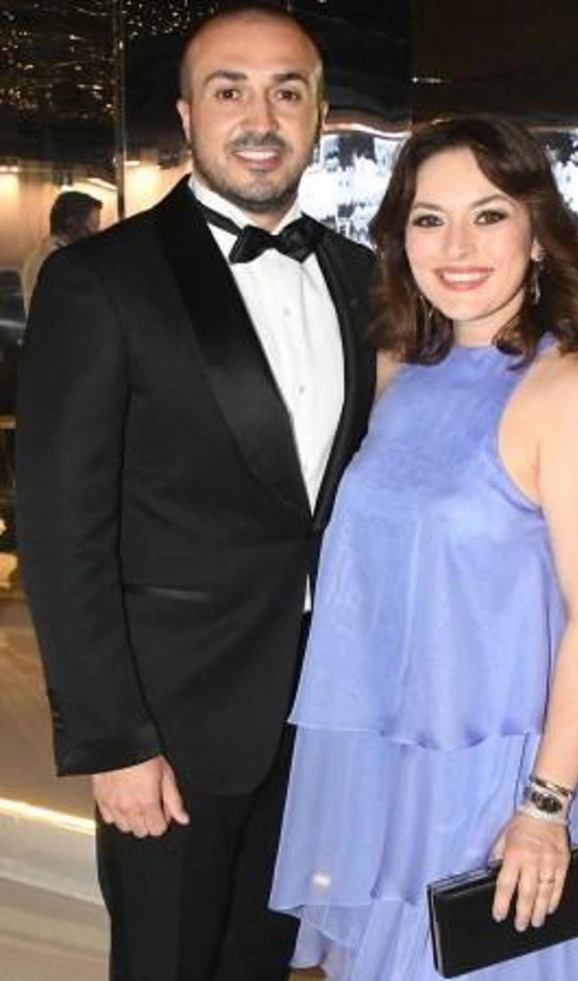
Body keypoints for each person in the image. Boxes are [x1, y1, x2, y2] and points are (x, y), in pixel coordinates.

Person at [16, 5, 375, 980]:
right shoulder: (100, 280)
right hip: (170, 723)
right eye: (229, 90)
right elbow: (59, 530)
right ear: (186, 114)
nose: (259, 117)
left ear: (320, 116)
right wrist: (113, 738)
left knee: (262, 959)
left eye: (286, 91)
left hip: (318, 712)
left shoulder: (360, 277)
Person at [271, 116, 578, 980]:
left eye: (489, 214)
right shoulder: (402, 367)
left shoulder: (571, 388)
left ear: (537, 232)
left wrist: (544, 808)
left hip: (504, 776)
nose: (458, 246)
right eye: (430, 219)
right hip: (396, 762)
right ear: (401, 238)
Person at [20, 190, 102, 312]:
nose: (96, 233)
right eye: (92, 226)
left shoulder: (42, 254)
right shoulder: (57, 261)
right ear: (71, 223)